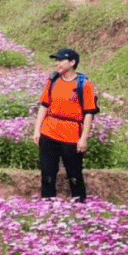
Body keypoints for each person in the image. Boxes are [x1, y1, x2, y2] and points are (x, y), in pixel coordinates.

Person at [33, 48, 97, 203]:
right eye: (57, 60)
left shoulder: (85, 85)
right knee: (47, 173)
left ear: (72, 62)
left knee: (74, 173)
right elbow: (44, 105)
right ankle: (47, 204)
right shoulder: (53, 80)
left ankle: (79, 204)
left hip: (71, 134)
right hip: (49, 131)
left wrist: (84, 139)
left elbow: (89, 113)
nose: (58, 64)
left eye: (61, 60)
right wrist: (37, 130)